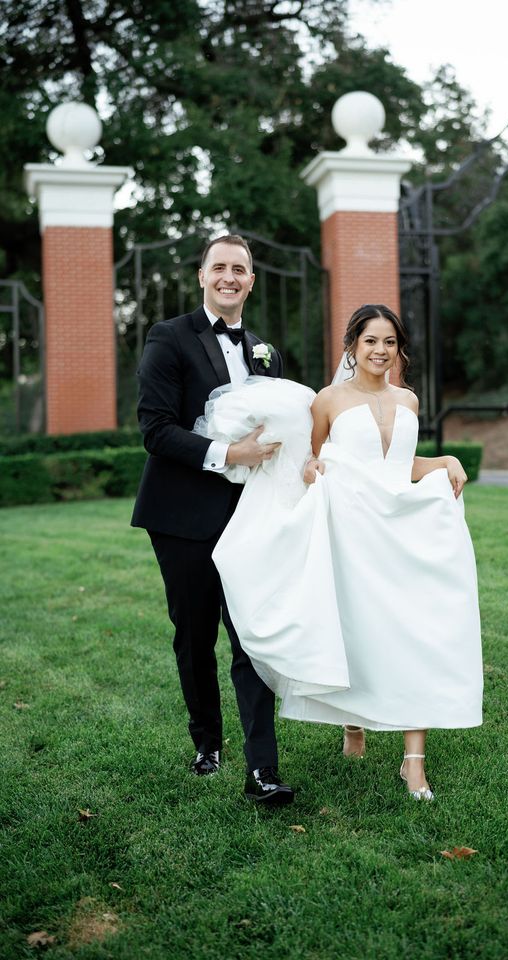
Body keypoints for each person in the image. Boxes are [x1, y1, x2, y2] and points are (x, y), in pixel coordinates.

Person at [207, 304, 483, 803]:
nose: (381, 351)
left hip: (402, 526)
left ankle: (413, 763)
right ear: (352, 345)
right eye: (372, 341)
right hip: (352, 526)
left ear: (399, 349)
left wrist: (445, 459)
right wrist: (314, 472)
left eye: (390, 342)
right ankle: (354, 721)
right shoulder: (328, 401)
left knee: (415, 632)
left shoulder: (409, 400)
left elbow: (398, 463)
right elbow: (309, 459)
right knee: (361, 626)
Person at [131, 234, 295, 806]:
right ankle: (207, 742)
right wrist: (230, 455)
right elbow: (154, 429)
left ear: (251, 281)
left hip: (250, 513)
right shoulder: (168, 337)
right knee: (196, 632)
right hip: (182, 515)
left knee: (250, 633)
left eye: (240, 269)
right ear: (202, 275)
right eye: (219, 267)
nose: (230, 276)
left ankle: (263, 769)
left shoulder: (263, 349)